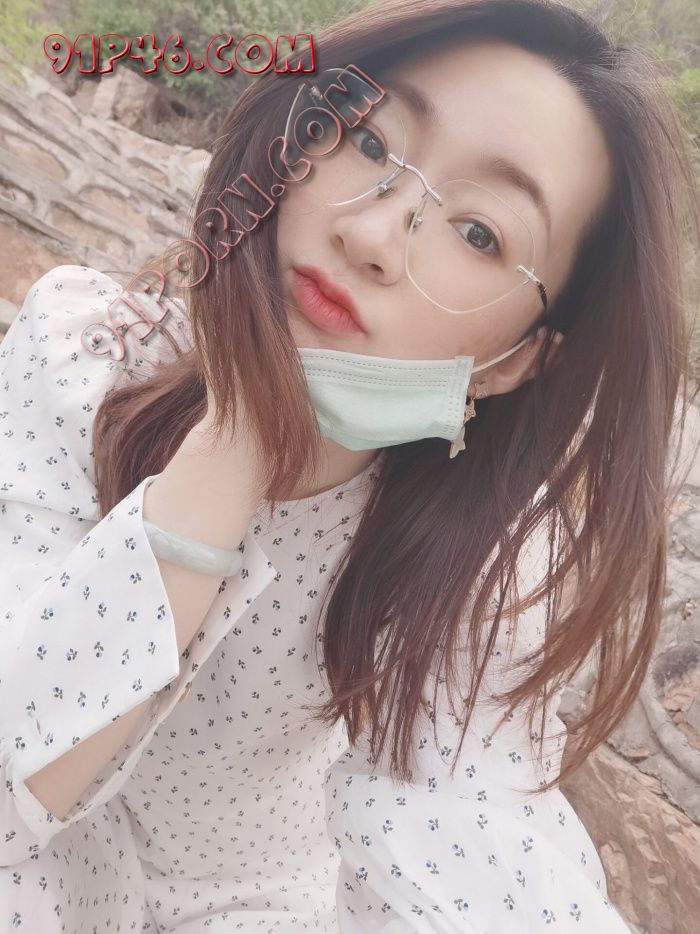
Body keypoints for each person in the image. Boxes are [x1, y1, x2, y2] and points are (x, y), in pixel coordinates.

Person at [0, 0, 697, 930]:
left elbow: (477, 829)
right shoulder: (84, 352)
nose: (371, 237)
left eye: (479, 233)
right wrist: (240, 439)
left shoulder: (478, 565)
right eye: (370, 142)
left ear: (520, 359)